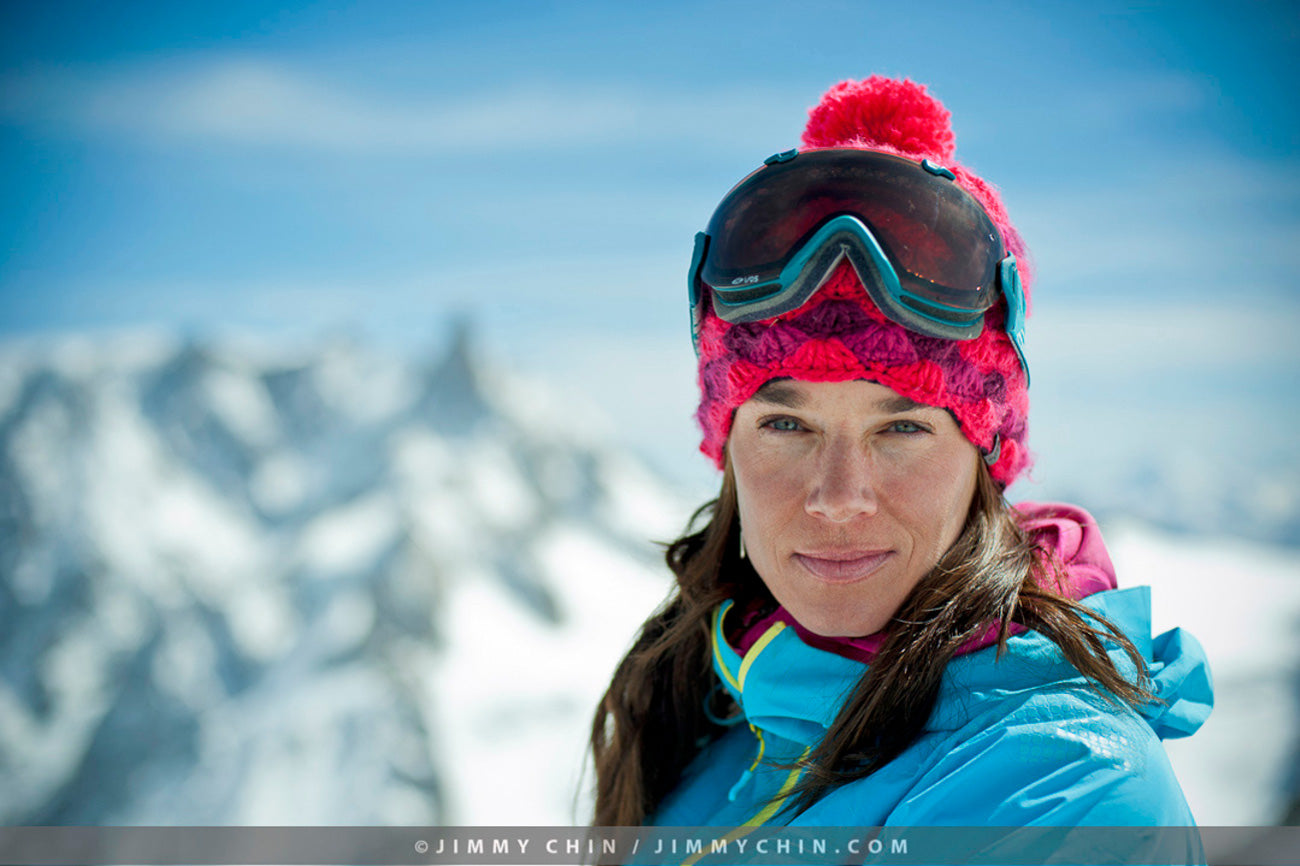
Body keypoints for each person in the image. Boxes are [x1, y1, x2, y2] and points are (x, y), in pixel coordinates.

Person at [588, 76, 1213, 834]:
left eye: (902, 429)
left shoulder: (1064, 789)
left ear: (982, 457)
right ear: (727, 446)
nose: (837, 496)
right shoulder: (717, 705)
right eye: (787, 426)